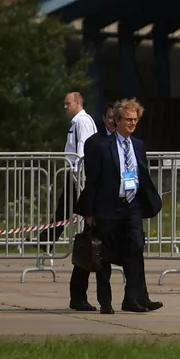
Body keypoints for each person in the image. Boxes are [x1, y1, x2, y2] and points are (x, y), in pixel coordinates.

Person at [79, 99, 162, 314]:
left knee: (135, 249)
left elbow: (141, 175)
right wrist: (89, 212)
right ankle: (105, 301)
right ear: (117, 120)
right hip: (107, 208)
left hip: (131, 206)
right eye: (128, 119)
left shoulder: (138, 145)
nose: (133, 123)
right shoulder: (100, 146)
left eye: (135, 119)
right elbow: (93, 181)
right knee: (103, 256)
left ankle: (133, 298)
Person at [63, 92, 101, 311]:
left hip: (82, 178)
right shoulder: (78, 122)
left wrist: (79, 175)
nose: (65, 107)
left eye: (68, 103)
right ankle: (79, 296)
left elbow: (82, 151)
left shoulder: (83, 121)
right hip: (80, 179)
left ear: (78, 103)